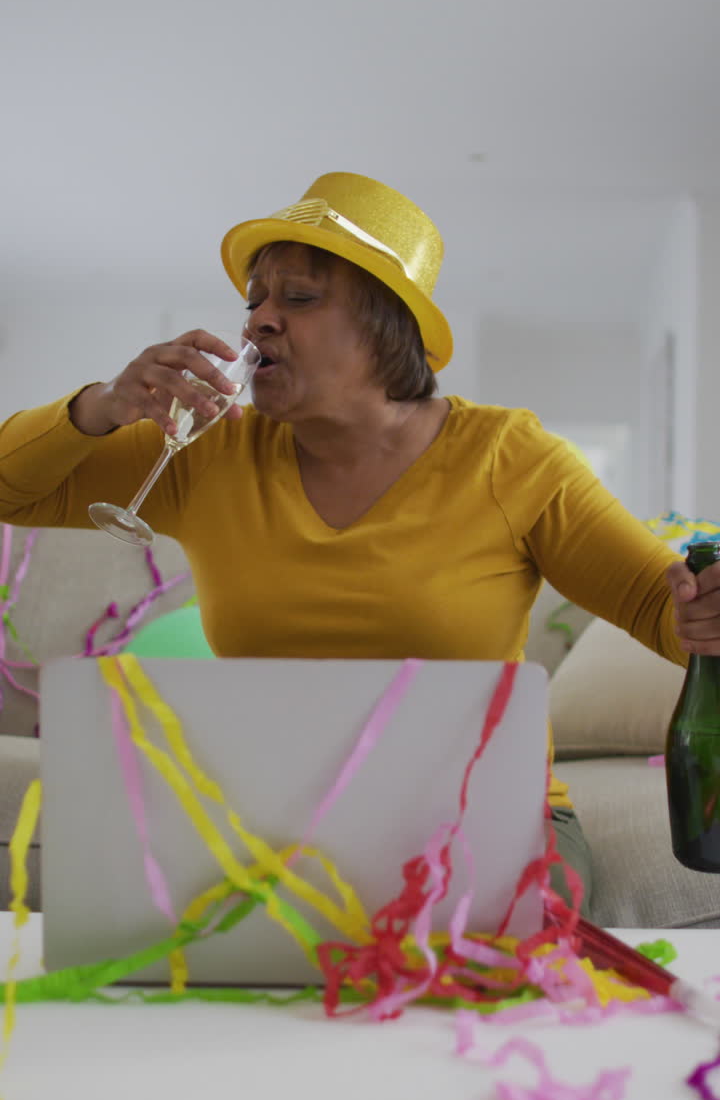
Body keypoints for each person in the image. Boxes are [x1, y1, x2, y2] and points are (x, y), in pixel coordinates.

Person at [0, 171, 717, 918]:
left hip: (484, 818)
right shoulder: (209, 452)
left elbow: (662, 608)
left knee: (472, 954)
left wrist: (701, 619)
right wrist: (99, 406)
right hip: (279, 822)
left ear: (386, 325)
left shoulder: (510, 457)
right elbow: (8, 490)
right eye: (254, 301)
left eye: (298, 298)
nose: (258, 323)